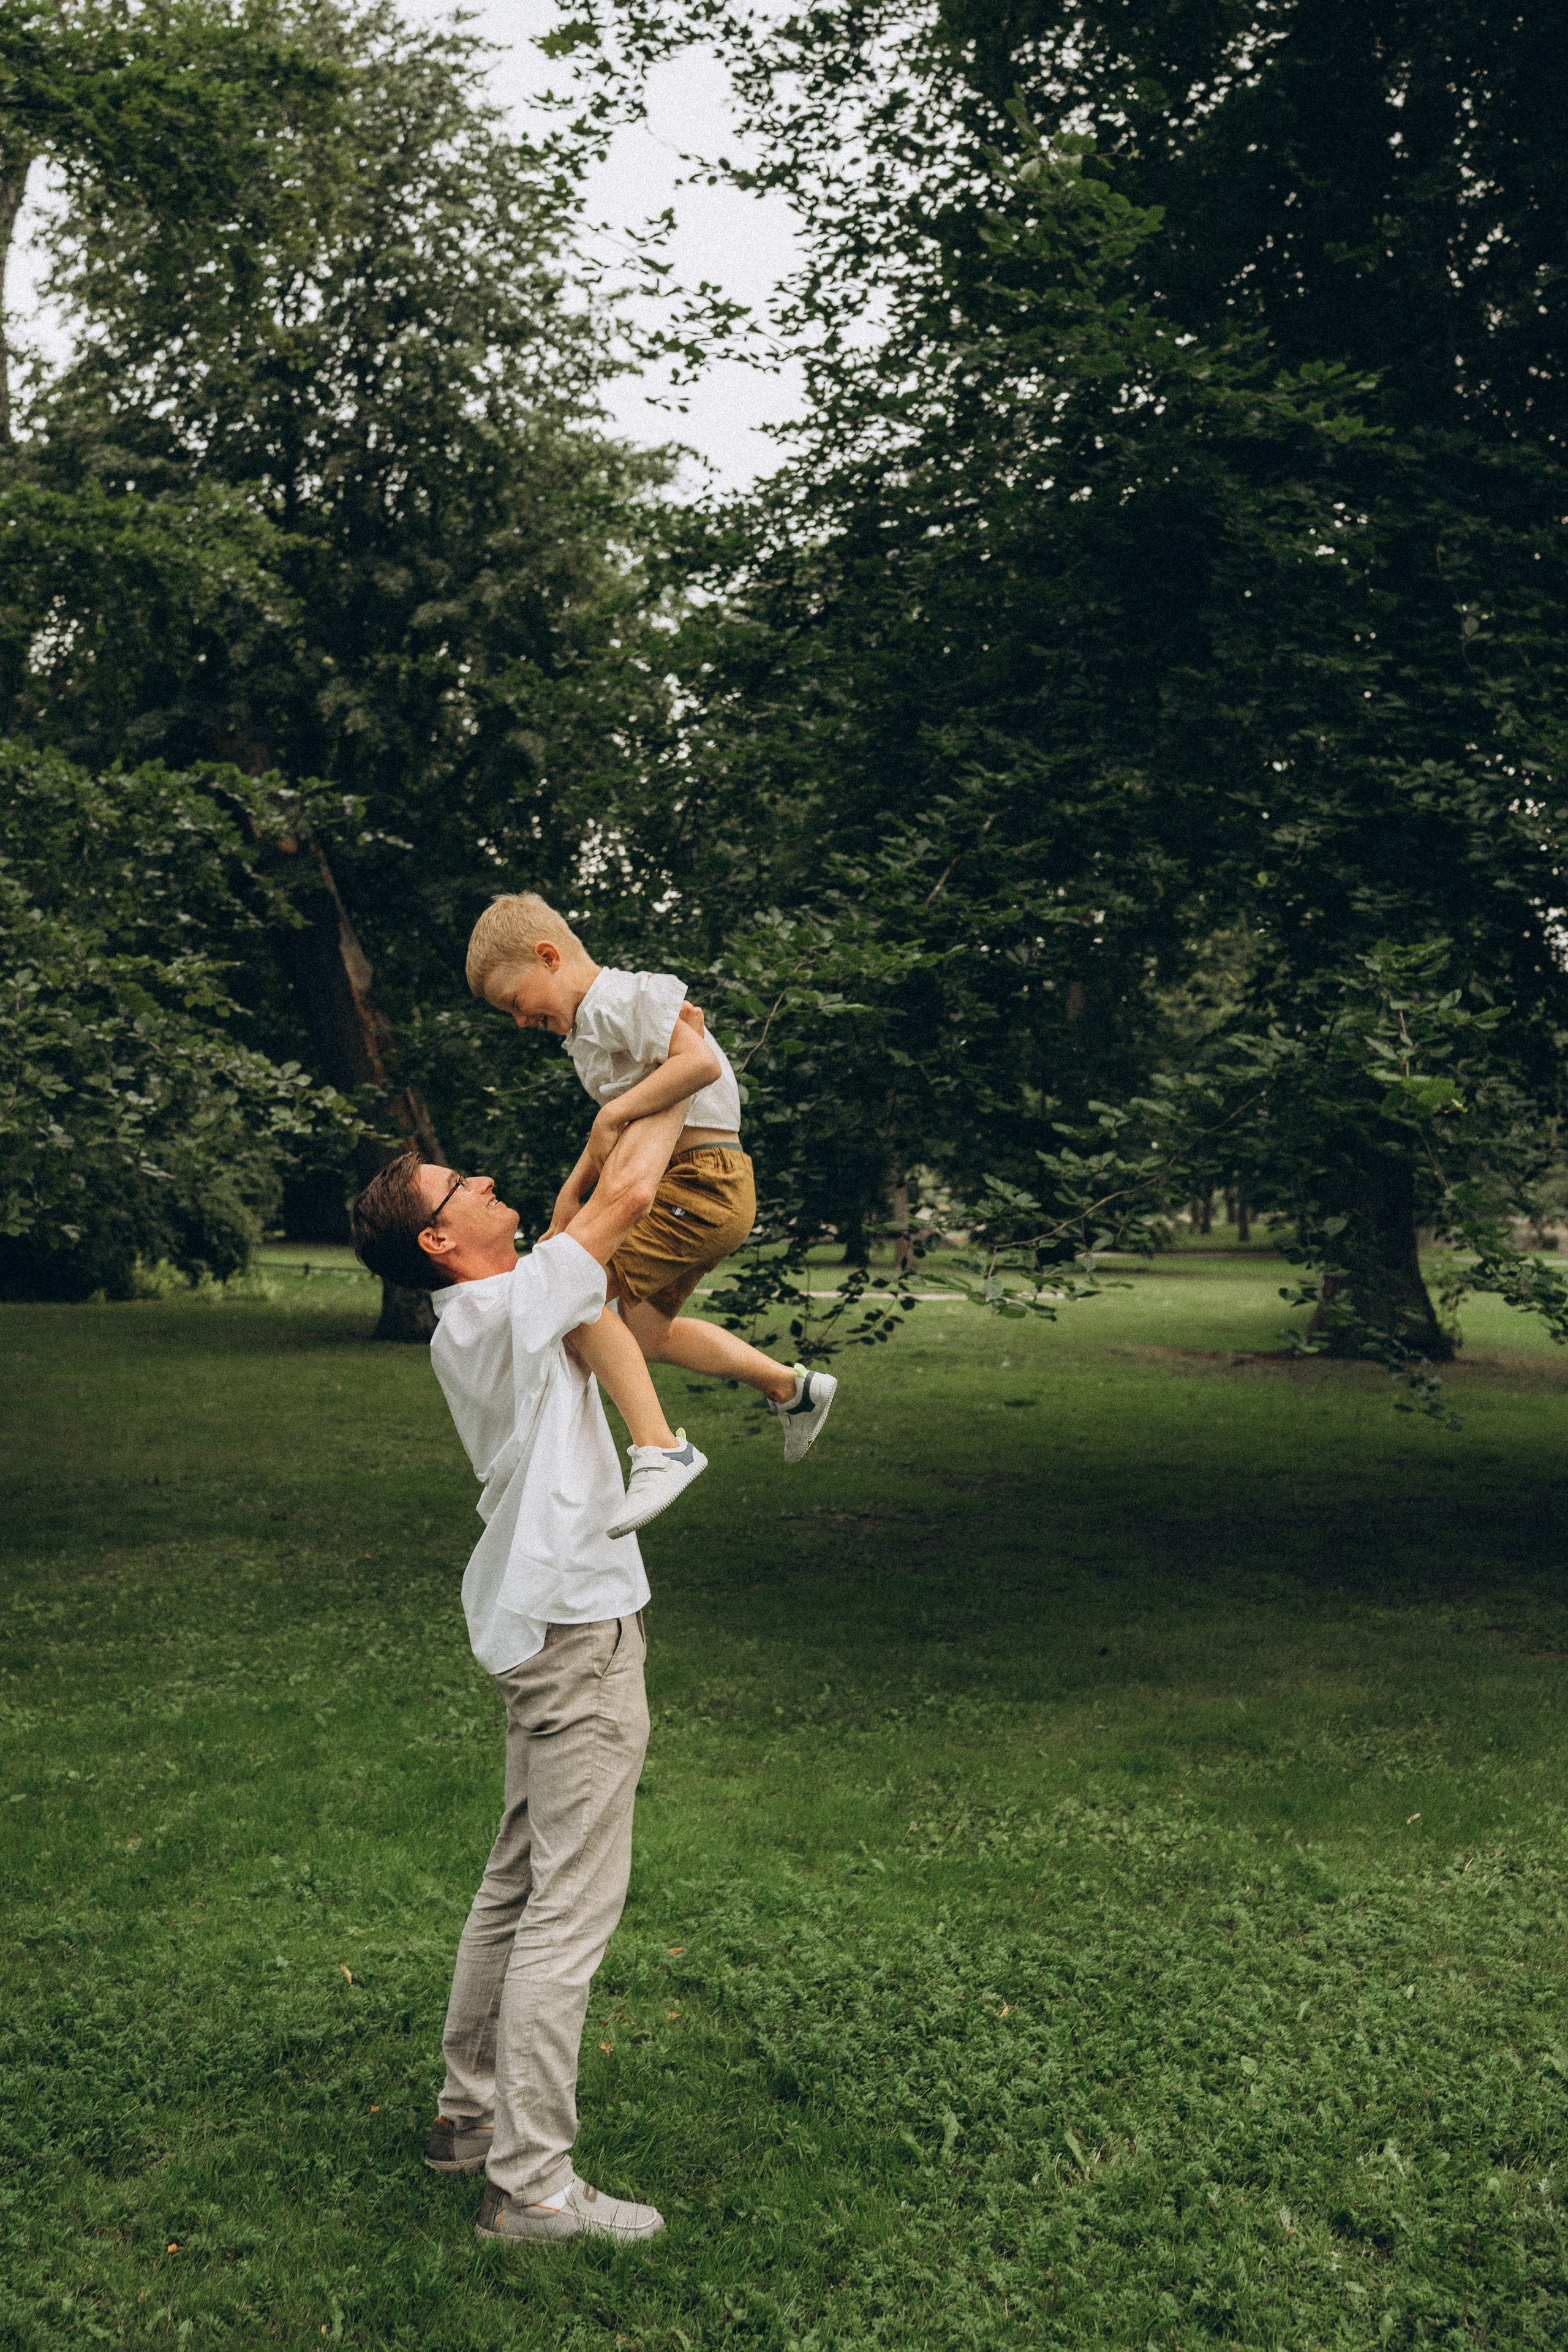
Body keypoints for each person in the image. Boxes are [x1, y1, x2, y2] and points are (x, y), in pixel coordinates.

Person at [349, 1126, 684, 2248]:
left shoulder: (494, 1306)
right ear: (442, 1239)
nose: (487, 1179)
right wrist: (679, 1065)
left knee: (516, 1877)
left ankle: (467, 2117)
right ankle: (533, 2187)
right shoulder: (505, 1305)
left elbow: (582, 1201)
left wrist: (606, 1126)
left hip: (531, 1623)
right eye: (461, 1185)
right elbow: (630, 1198)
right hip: (576, 1626)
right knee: (566, 1908)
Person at [464, 891, 839, 1502]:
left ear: (548, 957)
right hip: (691, 1184)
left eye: (515, 1001)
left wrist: (614, 1114)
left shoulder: (622, 998)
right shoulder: (589, 1032)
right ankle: (790, 1388)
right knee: (640, 1334)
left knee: (576, 1295)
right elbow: (614, 1127)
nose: (518, 1020)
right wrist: (570, 1195)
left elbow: (698, 1066)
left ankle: (661, 1450)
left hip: (701, 1180)